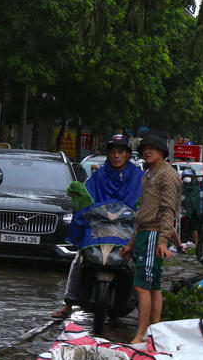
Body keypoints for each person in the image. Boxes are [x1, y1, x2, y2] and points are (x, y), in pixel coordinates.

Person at [51, 134, 143, 319]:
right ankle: (68, 303)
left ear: (127, 154)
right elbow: (87, 199)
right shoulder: (98, 176)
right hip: (99, 226)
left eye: (120, 152)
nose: (116, 156)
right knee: (80, 257)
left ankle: (142, 307)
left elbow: (144, 202)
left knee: (141, 259)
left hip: (127, 229)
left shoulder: (139, 177)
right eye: (113, 152)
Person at [120, 131, 181, 343]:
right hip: (145, 234)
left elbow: (168, 211)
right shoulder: (148, 174)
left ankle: (141, 335)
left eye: (152, 148)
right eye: (144, 149)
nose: (147, 152)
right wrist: (131, 243)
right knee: (153, 285)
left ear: (162, 152)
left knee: (142, 286)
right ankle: (154, 333)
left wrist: (164, 240)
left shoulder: (168, 175)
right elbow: (144, 212)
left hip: (155, 235)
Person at [180, 169, 201, 245]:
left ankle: (196, 243)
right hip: (182, 212)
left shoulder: (196, 188)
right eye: (185, 176)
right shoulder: (181, 187)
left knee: (193, 227)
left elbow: (196, 200)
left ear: (192, 178)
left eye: (188, 176)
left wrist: (186, 200)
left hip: (193, 212)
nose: (187, 178)